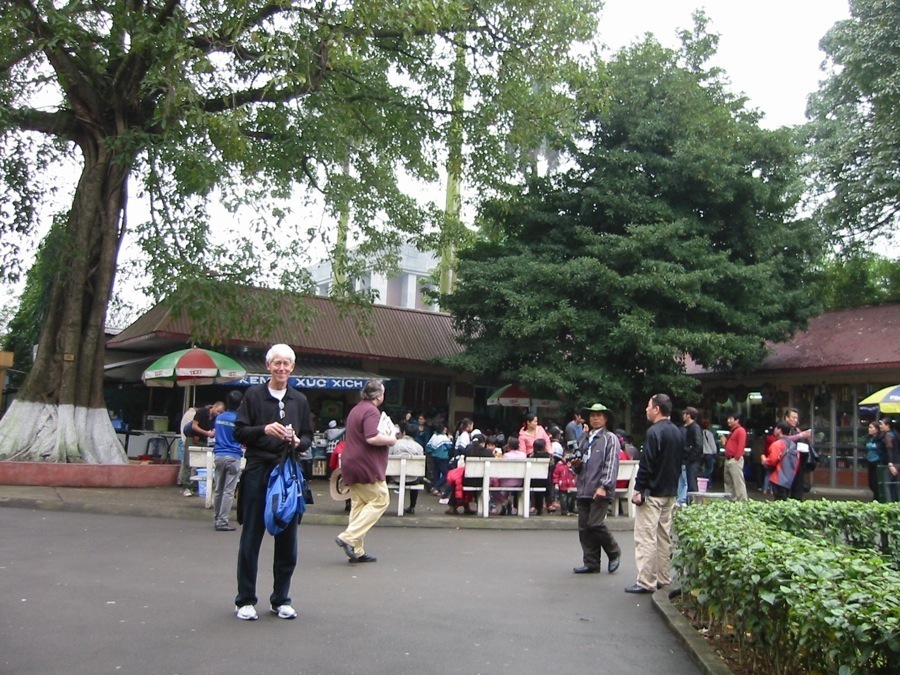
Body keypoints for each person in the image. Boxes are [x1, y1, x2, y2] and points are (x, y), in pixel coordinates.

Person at [233, 344, 313, 621]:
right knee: (251, 536)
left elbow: (308, 438)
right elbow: (239, 432)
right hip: (258, 471)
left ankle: (281, 599)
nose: (281, 368)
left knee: (287, 538)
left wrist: (296, 441)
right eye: (277, 363)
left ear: (292, 367)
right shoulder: (253, 396)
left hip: (287, 474)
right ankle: (245, 600)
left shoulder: (299, 400)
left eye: (286, 364)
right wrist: (263, 429)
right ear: (268, 365)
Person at [625, 394, 682, 594]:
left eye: (649, 406)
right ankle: (663, 577)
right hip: (670, 491)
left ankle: (646, 581)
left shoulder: (653, 433)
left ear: (657, 408)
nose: (646, 409)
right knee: (664, 536)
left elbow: (646, 464)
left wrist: (639, 489)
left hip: (652, 492)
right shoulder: (677, 431)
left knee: (645, 537)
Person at [335, 379, 396, 564]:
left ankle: (357, 550)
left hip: (351, 461)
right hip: (366, 464)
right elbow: (372, 437)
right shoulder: (371, 411)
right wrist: (391, 440)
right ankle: (348, 537)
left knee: (359, 504)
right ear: (379, 396)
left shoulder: (356, 409)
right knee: (381, 499)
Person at [570, 403, 622, 575]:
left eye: (599, 415)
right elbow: (578, 465)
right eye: (592, 416)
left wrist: (604, 486)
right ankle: (591, 562)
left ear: (605, 418)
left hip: (600, 488)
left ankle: (614, 551)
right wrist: (576, 465)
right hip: (584, 487)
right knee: (584, 527)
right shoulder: (584, 438)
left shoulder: (610, 438)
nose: (595, 419)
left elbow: (611, 464)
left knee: (595, 524)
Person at [212, 390, 244, 531]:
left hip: (219, 455)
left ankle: (217, 517)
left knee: (218, 489)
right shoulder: (239, 420)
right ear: (241, 404)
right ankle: (222, 521)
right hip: (233, 456)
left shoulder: (218, 418)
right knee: (228, 491)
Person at [179, 401, 224, 496]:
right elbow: (194, 426)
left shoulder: (215, 419)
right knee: (188, 463)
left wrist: (212, 433)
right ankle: (186, 486)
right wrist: (207, 433)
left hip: (203, 440)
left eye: (220, 412)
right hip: (192, 437)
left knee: (202, 464)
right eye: (218, 411)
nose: (218, 413)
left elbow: (212, 431)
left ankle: (196, 486)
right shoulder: (202, 412)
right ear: (214, 407)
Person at [761, 421, 812, 500]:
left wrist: (764, 460)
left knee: (779, 501)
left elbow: (772, 461)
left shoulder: (777, 444)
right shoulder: (793, 444)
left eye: (776, 428)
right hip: (790, 479)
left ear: (779, 430)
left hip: (778, 478)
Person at [390, 422, 425, 515]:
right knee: (416, 478)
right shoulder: (419, 447)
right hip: (412, 479)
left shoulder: (394, 444)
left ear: (404, 432)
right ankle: (412, 506)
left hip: (395, 477)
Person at [784, 407, 814, 500]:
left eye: (796, 418)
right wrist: (800, 435)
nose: (795, 420)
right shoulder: (783, 427)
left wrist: (807, 438)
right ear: (786, 418)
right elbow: (782, 439)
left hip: (799, 464)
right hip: (787, 464)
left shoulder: (797, 429)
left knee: (798, 491)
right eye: (793, 417)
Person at [679, 407, 703, 504]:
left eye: (685, 414)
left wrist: (690, 456)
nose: (683, 416)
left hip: (693, 461)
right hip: (688, 459)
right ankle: (689, 502)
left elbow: (698, 445)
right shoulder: (688, 427)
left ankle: (694, 503)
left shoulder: (695, 428)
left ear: (688, 415)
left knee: (691, 483)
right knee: (687, 482)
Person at [722, 412, 748, 501]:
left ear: (737, 420)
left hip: (734, 459)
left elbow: (741, 446)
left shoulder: (740, 430)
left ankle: (742, 501)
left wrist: (736, 458)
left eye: (731, 419)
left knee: (738, 482)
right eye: (728, 419)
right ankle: (730, 501)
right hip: (729, 458)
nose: (728, 421)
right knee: (728, 482)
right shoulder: (732, 431)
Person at [426, 423, 453, 498]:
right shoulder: (444, 438)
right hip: (443, 458)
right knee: (446, 474)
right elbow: (450, 446)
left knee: (436, 473)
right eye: (444, 428)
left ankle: (436, 490)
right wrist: (450, 439)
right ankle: (436, 487)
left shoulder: (434, 436)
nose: (446, 430)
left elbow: (428, 446)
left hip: (434, 457)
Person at [864, 421, 887, 501]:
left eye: (871, 427)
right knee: (871, 483)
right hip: (870, 461)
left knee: (876, 482)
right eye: (869, 427)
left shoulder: (881, 439)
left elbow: (885, 450)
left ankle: (877, 499)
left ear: (876, 429)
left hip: (878, 461)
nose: (869, 429)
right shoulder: (868, 438)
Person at [882, 417, 900, 501]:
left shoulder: (888, 436)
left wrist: (890, 463)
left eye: (882, 424)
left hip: (893, 463)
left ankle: (889, 504)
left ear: (887, 425)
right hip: (898, 461)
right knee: (897, 484)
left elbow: (889, 449)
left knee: (887, 484)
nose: (880, 426)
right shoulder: (896, 434)